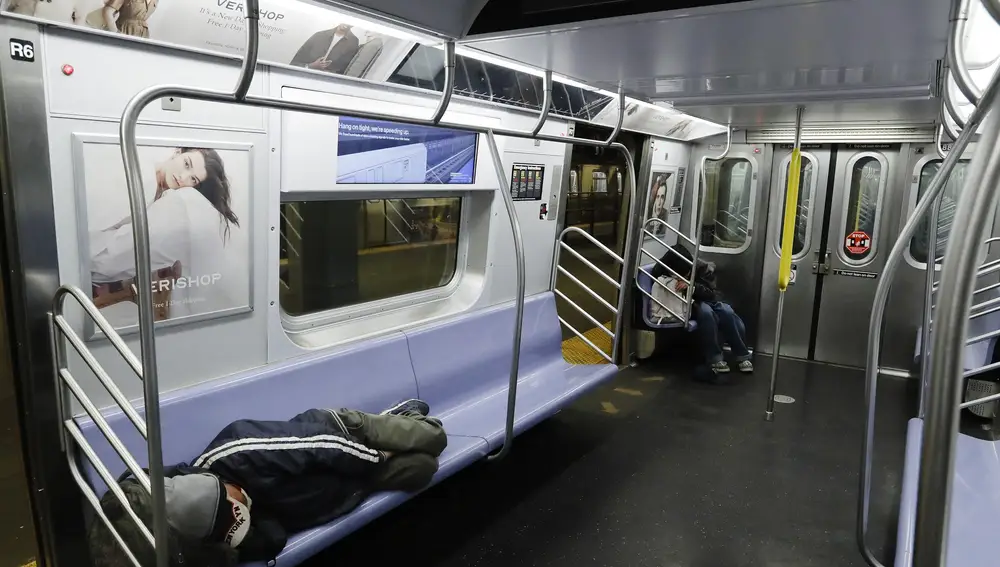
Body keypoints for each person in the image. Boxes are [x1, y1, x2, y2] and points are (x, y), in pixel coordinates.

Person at [88, 399, 446, 566]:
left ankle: (393, 419)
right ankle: (396, 432)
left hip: (343, 437)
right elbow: (272, 539)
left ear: (216, 483)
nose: (243, 501)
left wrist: (375, 458)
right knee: (422, 470)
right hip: (340, 491)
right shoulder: (217, 536)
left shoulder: (238, 448)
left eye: (234, 498)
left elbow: (322, 446)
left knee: (434, 440)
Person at [89, 147, 243, 323]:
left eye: (193, 179)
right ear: (178, 152)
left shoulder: (159, 194)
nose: (183, 177)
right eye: (187, 164)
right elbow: (105, 242)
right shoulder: (144, 181)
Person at [651, 246, 753, 375]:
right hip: (688, 304)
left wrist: (691, 286)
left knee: (727, 312)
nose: (684, 276)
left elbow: (712, 293)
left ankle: (742, 356)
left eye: (687, 273)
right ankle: (715, 359)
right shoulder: (662, 268)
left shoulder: (701, 268)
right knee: (706, 313)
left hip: (705, 297)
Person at [290, 24, 361, 75]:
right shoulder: (319, 35)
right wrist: (311, 66)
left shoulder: (353, 42)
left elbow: (346, 70)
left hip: (327, 83)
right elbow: (294, 63)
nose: (347, 22)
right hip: (303, 77)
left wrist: (330, 73)